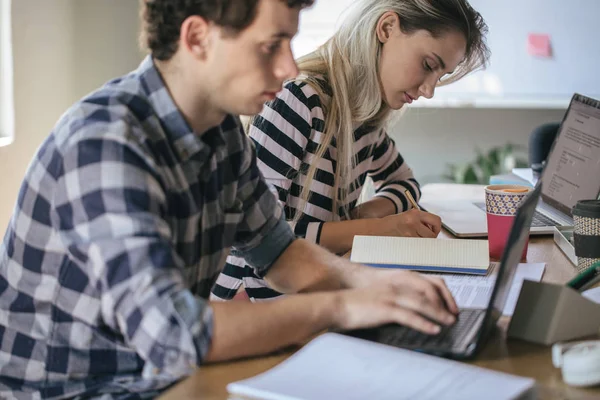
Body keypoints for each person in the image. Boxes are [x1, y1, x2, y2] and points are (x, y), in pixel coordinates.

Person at [0, 0, 459, 398]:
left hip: (160, 378)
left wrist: (375, 285)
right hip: (82, 391)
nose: (290, 68)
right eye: (271, 45)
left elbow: (280, 252)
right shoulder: (104, 144)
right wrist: (342, 306)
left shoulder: (221, 133)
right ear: (198, 37)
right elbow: (174, 335)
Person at [212, 0, 491, 301]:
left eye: (440, 76)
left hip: (313, 292)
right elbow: (268, 240)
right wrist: (377, 227)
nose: (429, 90)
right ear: (386, 28)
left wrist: (358, 217)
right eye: (428, 65)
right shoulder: (297, 100)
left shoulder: (364, 119)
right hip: (252, 299)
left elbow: (405, 184)